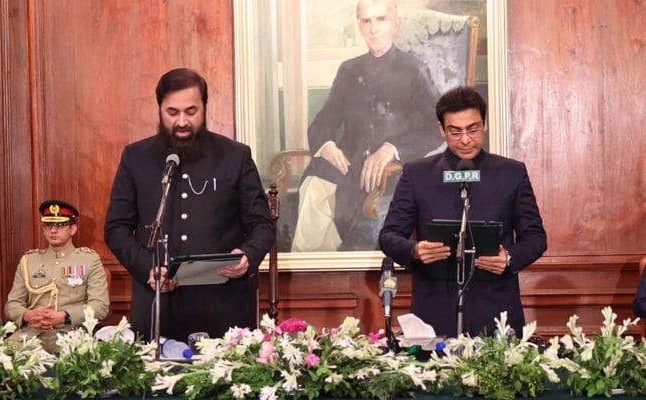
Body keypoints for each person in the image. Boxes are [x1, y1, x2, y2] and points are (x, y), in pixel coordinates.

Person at [104, 68, 275, 343]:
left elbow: (262, 224)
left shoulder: (235, 156)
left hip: (224, 310)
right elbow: (116, 228)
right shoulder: (136, 157)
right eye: (172, 112)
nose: (182, 121)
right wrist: (148, 267)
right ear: (159, 108)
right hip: (158, 308)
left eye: (191, 111)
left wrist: (247, 255)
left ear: (205, 107)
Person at [378, 86, 547, 338]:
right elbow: (389, 235)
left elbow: (536, 238)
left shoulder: (511, 173)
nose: (465, 139)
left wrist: (508, 258)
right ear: (441, 130)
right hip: (434, 308)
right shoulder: (417, 174)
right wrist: (415, 250)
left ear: (485, 124)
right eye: (455, 132)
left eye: (473, 129)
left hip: (496, 309)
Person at [291, 0, 443, 252]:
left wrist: (392, 149)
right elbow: (324, 120)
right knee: (313, 190)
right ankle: (316, 277)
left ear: (396, 23)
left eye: (381, 19)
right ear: (359, 26)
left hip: (392, 172)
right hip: (346, 164)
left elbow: (437, 127)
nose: (373, 29)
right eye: (366, 21)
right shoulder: (348, 70)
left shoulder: (415, 70)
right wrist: (326, 145)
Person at [4, 200, 110, 353]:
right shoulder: (29, 261)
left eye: (60, 225)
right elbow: (12, 305)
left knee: (86, 364)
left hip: (71, 334)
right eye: (48, 225)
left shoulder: (89, 260)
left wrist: (64, 316)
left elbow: (100, 307)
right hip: (31, 334)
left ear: (72, 229)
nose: (53, 230)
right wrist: (28, 315)